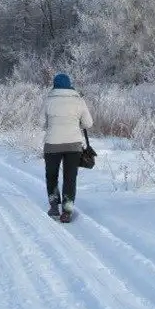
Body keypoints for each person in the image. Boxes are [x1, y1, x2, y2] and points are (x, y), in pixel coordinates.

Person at [41, 72, 94, 222]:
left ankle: (53, 205)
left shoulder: (48, 100)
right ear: (70, 85)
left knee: (52, 175)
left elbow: (40, 123)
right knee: (70, 178)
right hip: (73, 145)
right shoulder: (79, 101)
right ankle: (67, 211)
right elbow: (88, 123)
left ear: (55, 85)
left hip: (52, 145)